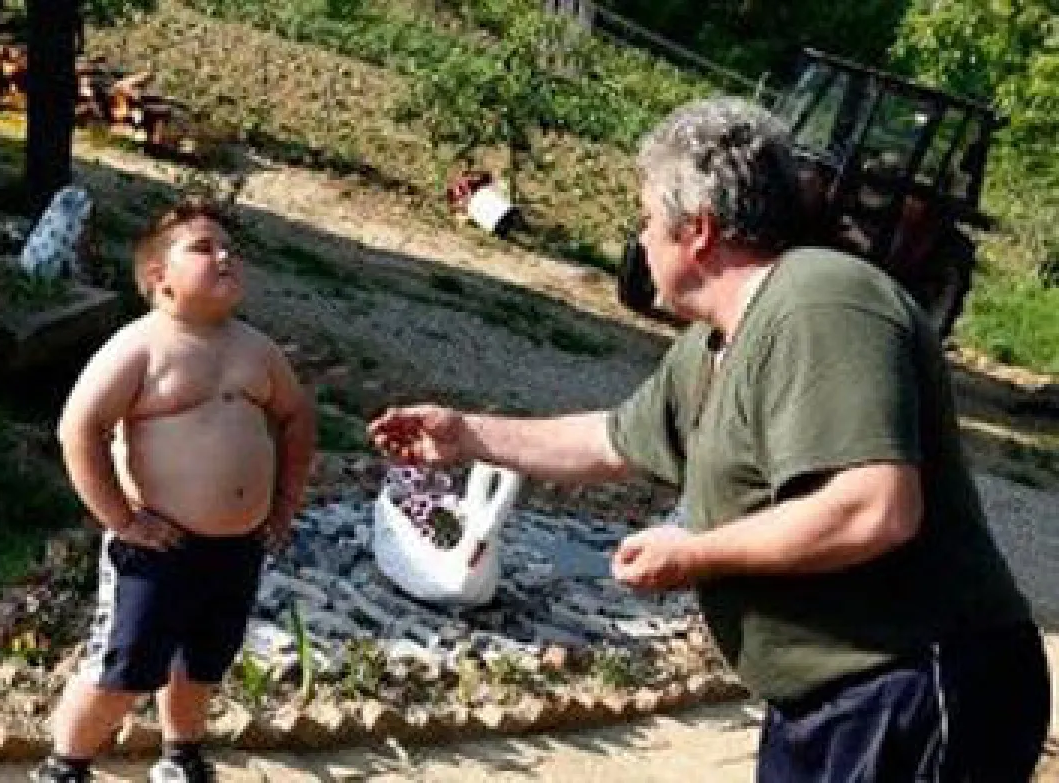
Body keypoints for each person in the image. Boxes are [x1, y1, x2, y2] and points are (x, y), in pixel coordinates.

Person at [368, 97, 1050, 782]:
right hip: (831, 700)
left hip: (915, 687)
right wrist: (468, 435)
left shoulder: (822, 305)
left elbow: (873, 509)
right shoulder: (714, 343)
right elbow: (612, 440)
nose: (640, 240)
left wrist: (694, 554)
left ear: (696, 230)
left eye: (645, 219)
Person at [33, 197, 316, 783]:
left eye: (229, 248)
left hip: (237, 547)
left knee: (203, 660)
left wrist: (286, 501)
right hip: (159, 545)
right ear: (159, 277)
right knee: (124, 666)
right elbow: (79, 428)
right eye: (204, 248)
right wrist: (122, 519)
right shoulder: (140, 346)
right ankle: (65, 765)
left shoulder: (256, 349)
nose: (225, 256)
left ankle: (181, 756)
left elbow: (296, 417)